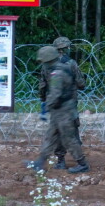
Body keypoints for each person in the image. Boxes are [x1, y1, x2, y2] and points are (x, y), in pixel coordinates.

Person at [26, 46, 90, 174]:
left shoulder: (57, 74)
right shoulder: (63, 68)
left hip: (64, 111)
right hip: (61, 110)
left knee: (69, 139)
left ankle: (82, 164)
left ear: (47, 60)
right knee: (50, 137)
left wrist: (46, 108)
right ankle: (40, 162)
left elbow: (55, 94)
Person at [52, 36, 86, 160]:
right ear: (64, 48)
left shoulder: (48, 64)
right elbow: (81, 83)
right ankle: (80, 161)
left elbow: (43, 84)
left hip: (55, 103)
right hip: (70, 103)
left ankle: (60, 160)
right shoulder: (71, 63)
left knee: (57, 131)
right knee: (73, 130)